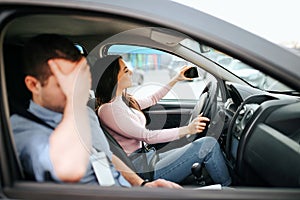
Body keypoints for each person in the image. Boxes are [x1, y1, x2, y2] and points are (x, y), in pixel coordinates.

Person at [10, 34, 181, 188]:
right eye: (65, 83)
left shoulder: (86, 114)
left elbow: (106, 157)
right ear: (33, 85)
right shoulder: (21, 131)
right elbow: (70, 169)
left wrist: (142, 185)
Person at [95, 55, 231, 186]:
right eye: (125, 70)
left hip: (148, 158)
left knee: (205, 145)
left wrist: (176, 79)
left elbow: (153, 99)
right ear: (112, 78)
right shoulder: (109, 110)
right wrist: (187, 129)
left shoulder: (123, 100)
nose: (131, 72)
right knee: (208, 145)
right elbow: (147, 136)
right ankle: (228, 190)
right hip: (142, 170)